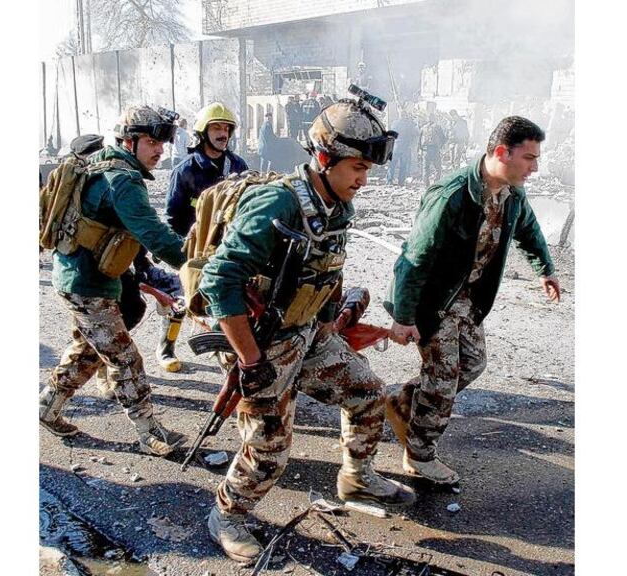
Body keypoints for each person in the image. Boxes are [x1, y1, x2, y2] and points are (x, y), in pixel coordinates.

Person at [200, 96, 416, 565]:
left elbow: (326, 268)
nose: (363, 179)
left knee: (367, 393)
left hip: (308, 333)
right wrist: (251, 360)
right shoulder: (277, 201)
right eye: (357, 167)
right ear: (324, 158)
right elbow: (218, 280)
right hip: (261, 341)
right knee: (270, 446)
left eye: (367, 169)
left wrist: (329, 324)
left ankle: (357, 476)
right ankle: (227, 514)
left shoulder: (337, 204)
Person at [383, 116, 561, 485]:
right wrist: (403, 316)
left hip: (466, 299)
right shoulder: (451, 196)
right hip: (432, 301)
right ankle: (419, 454)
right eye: (529, 158)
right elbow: (414, 258)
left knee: (474, 363)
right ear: (501, 153)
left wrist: (544, 268)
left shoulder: (511, 193)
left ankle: (404, 401)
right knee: (444, 377)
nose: (535, 167)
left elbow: (527, 228)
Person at [38, 104, 188, 458]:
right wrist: (196, 265)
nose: (159, 150)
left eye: (162, 143)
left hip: (84, 278)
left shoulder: (105, 164)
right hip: (87, 285)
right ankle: (148, 431)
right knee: (125, 359)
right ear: (130, 140)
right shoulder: (122, 180)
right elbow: (153, 233)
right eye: (152, 141)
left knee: (88, 352)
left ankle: (46, 408)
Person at [159, 102, 249, 371]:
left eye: (226, 128)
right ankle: (166, 348)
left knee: (227, 300)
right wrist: (182, 254)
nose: (223, 133)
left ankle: (227, 352)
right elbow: (172, 216)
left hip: (227, 249)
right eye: (216, 128)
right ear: (202, 133)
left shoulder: (238, 165)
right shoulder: (185, 170)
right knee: (181, 301)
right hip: (193, 249)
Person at [386, 111, 418, 186]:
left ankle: (389, 180)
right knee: (403, 165)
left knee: (392, 164)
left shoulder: (395, 123)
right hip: (405, 147)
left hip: (396, 146)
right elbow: (415, 134)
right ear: (406, 115)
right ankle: (401, 182)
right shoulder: (410, 124)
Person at [419, 115, 447, 185]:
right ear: (434, 119)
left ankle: (426, 184)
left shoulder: (423, 127)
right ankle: (436, 183)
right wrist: (440, 146)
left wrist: (421, 149)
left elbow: (419, 140)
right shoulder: (437, 127)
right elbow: (443, 138)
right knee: (438, 168)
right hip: (435, 149)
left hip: (425, 150)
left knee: (425, 168)